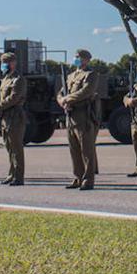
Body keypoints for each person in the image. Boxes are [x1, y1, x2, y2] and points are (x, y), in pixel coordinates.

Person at [58, 49, 99, 190]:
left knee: (86, 151)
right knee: (74, 150)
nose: (76, 59)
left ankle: (88, 180)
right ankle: (78, 177)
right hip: (71, 117)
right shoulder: (70, 76)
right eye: (75, 57)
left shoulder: (90, 75)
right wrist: (62, 101)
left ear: (86, 60)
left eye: (79, 57)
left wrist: (67, 99)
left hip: (83, 116)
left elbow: (86, 91)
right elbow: (60, 93)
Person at [0, 52, 26, 186]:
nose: (3, 65)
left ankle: (18, 176)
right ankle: (11, 174)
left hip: (15, 117)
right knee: (9, 148)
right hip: (5, 118)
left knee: (16, 148)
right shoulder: (5, 79)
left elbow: (14, 97)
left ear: (13, 63)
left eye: (5, 62)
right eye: (2, 62)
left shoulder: (18, 79)